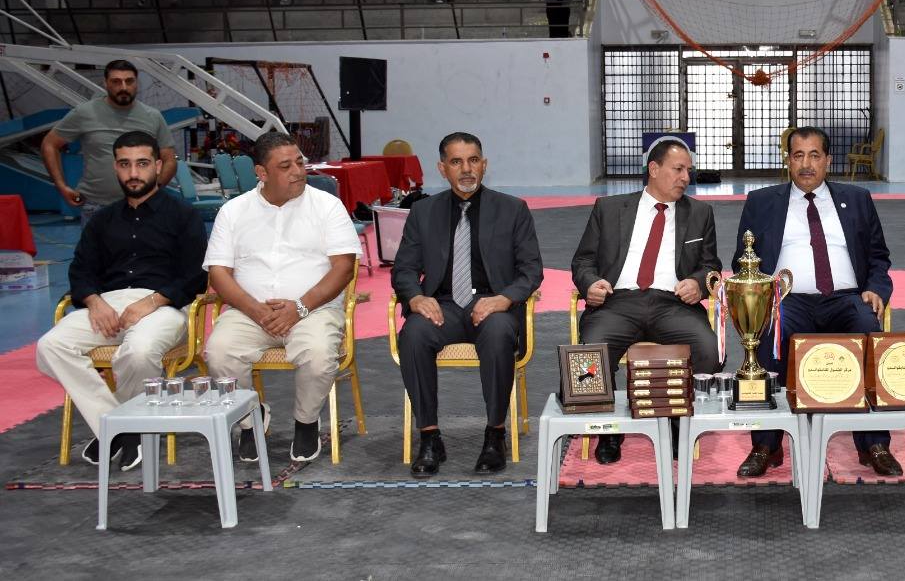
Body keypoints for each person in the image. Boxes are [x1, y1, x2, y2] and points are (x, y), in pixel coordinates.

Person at [35, 131, 206, 472]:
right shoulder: (102, 220)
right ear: (115, 167)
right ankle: (118, 426)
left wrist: (152, 302)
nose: (134, 173)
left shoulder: (182, 215)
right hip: (108, 305)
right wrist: (94, 302)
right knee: (50, 347)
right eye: (125, 165)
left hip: (165, 306)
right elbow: (81, 270)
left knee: (139, 351)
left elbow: (196, 276)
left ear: (158, 166)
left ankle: (117, 428)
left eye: (142, 164)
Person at [735, 126, 899, 477]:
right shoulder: (762, 202)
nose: (806, 164)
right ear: (788, 161)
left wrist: (875, 289)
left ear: (828, 160)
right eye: (798, 155)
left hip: (846, 299)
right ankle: (765, 445)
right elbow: (742, 262)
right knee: (768, 335)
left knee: (867, 326)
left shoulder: (857, 199)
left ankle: (874, 443)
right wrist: (764, 298)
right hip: (787, 301)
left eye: (814, 155)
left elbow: (878, 257)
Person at [203, 131, 361, 464]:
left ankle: (306, 422)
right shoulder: (233, 211)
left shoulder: (327, 206)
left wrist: (299, 308)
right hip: (250, 312)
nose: (298, 172)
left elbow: (343, 268)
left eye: (300, 163)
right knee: (219, 352)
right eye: (286, 166)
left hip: (313, 309)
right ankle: (250, 419)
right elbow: (218, 273)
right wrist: (255, 310)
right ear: (261, 173)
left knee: (318, 353)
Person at [393, 132, 544, 477]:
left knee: (498, 334)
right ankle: (429, 437)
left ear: (484, 165)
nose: (466, 169)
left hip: (493, 304)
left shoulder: (512, 209)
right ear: (442, 168)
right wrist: (416, 297)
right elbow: (404, 269)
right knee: (413, 334)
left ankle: (495, 434)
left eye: (473, 160)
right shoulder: (423, 212)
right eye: (457, 162)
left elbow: (531, 270)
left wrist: (503, 299)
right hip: (442, 306)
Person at [572, 139, 721, 465]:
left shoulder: (700, 213)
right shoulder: (609, 208)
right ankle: (608, 432)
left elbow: (711, 266)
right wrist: (590, 283)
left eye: (689, 170)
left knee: (709, 350)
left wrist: (698, 284)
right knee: (590, 353)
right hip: (617, 302)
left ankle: (677, 422)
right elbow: (583, 261)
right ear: (653, 169)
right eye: (678, 169)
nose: (686, 177)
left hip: (673, 304)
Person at [42, 60, 178, 221]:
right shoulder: (84, 113)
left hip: (143, 206)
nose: (123, 87)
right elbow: (49, 144)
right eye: (116, 81)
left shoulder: (153, 116)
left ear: (137, 83)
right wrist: (61, 186)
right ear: (105, 83)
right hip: (96, 207)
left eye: (129, 81)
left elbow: (169, 159)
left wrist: (155, 189)